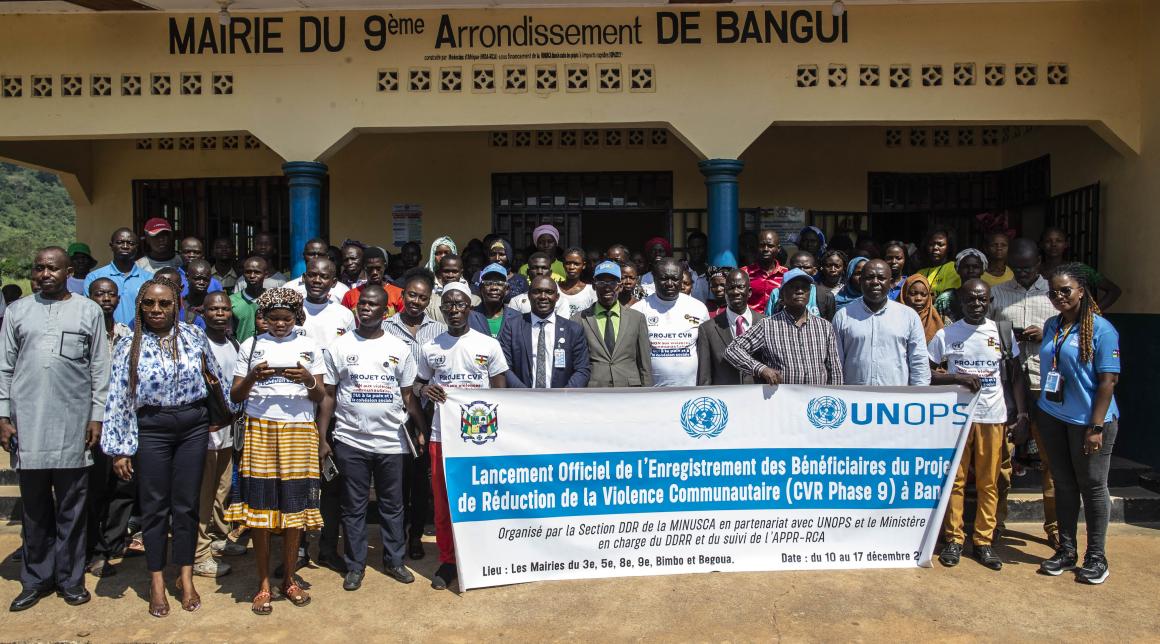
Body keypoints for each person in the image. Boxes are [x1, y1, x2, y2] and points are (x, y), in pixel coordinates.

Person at [101, 276, 231, 616]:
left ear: (177, 305)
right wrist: (120, 448)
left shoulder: (193, 335)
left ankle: (185, 577)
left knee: (186, 505)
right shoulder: (129, 343)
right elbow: (118, 397)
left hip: (192, 427)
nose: (156, 309)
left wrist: (222, 413)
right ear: (140, 307)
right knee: (155, 506)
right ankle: (156, 579)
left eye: (164, 303)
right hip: (151, 429)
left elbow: (215, 378)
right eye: (149, 303)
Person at [0, 247, 110, 612]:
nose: (44, 274)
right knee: (34, 510)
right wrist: (3, 417)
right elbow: (4, 367)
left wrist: (96, 416)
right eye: (39, 268)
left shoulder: (88, 311)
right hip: (27, 425)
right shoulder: (17, 311)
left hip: (73, 425)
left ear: (68, 273)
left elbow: (100, 368)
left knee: (72, 509)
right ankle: (36, 579)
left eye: (52, 268)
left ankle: (70, 579)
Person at [318, 285, 426, 590]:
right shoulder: (339, 346)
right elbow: (328, 394)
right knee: (354, 506)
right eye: (362, 303)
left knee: (393, 505)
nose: (365, 308)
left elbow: (408, 395)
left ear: (385, 311)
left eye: (372, 304)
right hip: (351, 440)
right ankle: (355, 565)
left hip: (392, 441)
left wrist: (421, 429)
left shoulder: (398, 348)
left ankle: (394, 560)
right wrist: (322, 437)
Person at [226, 288, 327, 614]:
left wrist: (307, 378)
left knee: (294, 509)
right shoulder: (251, 345)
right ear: (264, 319)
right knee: (260, 509)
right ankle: (263, 583)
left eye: (286, 319)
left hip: (299, 430)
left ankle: (290, 580)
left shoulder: (309, 345)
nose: (280, 324)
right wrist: (254, 376)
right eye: (273, 319)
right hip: (261, 429)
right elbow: (236, 394)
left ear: (296, 317)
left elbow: (320, 395)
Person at [416, 283, 508, 590]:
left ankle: (483, 555)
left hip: (481, 437)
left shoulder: (488, 345)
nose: (454, 310)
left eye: (460, 304)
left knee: (482, 498)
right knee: (444, 502)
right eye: (448, 305)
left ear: (469, 307)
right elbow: (416, 384)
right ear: (441, 310)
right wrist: (424, 390)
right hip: (442, 436)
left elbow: (501, 392)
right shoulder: (431, 347)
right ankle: (448, 560)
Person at [931, 279, 1028, 571]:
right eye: (970, 299)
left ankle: (984, 541)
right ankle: (954, 539)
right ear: (960, 302)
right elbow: (926, 373)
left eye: (982, 299)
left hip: (992, 417)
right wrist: (956, 378)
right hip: (956, 419)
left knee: (989, 482)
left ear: (990, 302)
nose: (976, 304)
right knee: (955, 481)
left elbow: (1015, 376)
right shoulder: (946, 334)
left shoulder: (1002, 333)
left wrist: (1022, 414)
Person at [1035, 263, 1120, 584]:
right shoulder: (1052, 325)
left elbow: (1108, 382)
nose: (1059, 296)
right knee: (1064, 483)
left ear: (1081, 292)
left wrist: (1096, 428)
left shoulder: (1102, 329)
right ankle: (1066, 551)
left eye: (1065, 290)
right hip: (1054, 416)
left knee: (1093, 486)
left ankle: (1096, 557)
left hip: (1089, 422)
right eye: (1053, 292)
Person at [990, 238, 1060, 549]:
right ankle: (995, 524)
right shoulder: (998, 293)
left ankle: (1056, 528)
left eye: (1028, 268)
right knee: (1000, 461)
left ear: (1039, 263)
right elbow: (985, 331)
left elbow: (1074, 331)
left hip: (1045, 386)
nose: (1022, 274)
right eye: (1017, 269)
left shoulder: (1055, 293)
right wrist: (1007, 339)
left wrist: (1048, 334)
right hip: (1007, 386)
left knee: (1052, 462)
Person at [384, 267, 446, 560]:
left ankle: (416, 537)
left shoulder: (439, 331)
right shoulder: (384, 328)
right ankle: (395, 538)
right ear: (403, 295)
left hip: (427, 415)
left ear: (429, 299)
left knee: (420, 482)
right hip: (392, 414)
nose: (416, 302)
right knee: (396, 482)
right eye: (411, 295)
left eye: (422, 297)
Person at [82, 278, 134, 579]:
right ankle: (95, 549)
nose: (105, 299)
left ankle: (114, 542)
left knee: (123, 486)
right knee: (96, 487)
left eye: (111, 294)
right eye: (99, 294)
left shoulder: (126, 334)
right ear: (90, 297)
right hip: (95, 420)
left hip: (125, 420)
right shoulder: (85, 333)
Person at [191, 292, 245, 579]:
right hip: (208, 429)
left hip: (228, 428)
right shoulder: (197, 345)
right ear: (204, 312)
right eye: (214, 309)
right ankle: (199, 554)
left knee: (223, 488)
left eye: (224, 309)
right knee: (204, 492)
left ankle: (219, 538)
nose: (220, 314)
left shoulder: (233, 343)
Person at [725, 268, 843, 386]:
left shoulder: (824, 327)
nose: (800, 291)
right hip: (781, 396)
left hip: (816, 397)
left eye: (804, 287)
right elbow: (733, 350)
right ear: (781, 294)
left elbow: (834, 370)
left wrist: (835, 394)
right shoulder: (768, 325)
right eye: (793, 287)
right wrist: (761, 369)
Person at [832, 259, 931, 386]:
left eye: (881, 278)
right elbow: (836, 363)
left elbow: (919, 361)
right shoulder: (843, 316)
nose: (875, 282)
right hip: (855, 396)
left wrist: (919, 393)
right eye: (869, 277)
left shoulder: (909, 316)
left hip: (896, 396)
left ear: (890, 283)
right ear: (861, 281)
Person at [499, 276, 590, 389]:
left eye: (549, 292)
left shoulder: (573, 330)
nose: (543, 296)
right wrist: (524, 393)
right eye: (537, 292)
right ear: (529, 296)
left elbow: (582, 369)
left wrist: (565, 394)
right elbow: (504, 367)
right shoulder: (512, 326)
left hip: (563, 398)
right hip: (521, 397)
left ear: (557, 297)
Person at [632, 258, 709, 387]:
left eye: (675, 279)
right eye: (664, 278)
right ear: (654, 278)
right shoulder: (638, 310)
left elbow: (705, 352)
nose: (669, 283)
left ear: (681, 279)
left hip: (691, 390)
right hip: (651, 391)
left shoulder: (698, 308)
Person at [574, 261, 652, 388]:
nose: (607, 287)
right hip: (594, 390)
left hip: (629, 390)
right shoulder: (579, 319)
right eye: (601, 282)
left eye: (612, 282)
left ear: (620, 286)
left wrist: (647, 393)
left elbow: (645, 365)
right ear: (594, 286)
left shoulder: (637, 318)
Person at [699, 269, 766, 385]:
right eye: (731, 288)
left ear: (749, 292)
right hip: (724, 395)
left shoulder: (766, 323)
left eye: (740, 287)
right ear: (725, 292)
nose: (735, 292)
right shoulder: (708, 329)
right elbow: (705, 376)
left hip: (759, 394)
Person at [1039, 227, 1121, 311]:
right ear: (1041, 244)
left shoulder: (1079, 269)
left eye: (1059, 241)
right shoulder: (1035, 270)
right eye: (1048, 241)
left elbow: (1114, 291)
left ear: (1066, 244)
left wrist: (1090, 312)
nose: (1053, 244)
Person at [84, 228, 153, 326]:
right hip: (104, 333)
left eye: (130, 243)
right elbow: (88, 310)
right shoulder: (94, 277)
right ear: (111, 246)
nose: (125, 246)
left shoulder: (149, 278)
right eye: (120, 242)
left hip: (139, 333)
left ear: (137, 247)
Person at [300, 257, 356, 349]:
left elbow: (350, 348)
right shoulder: (291, 311)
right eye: (312, 275)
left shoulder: (345, 314)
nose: (317, 280)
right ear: (304, 278)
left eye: (324, 277)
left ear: (333, 282)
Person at [764, 251, 836, 321]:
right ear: (789, 269)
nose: (801, 270)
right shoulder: (777, 293)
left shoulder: (825, 295)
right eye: (797, 267)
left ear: (814, 271)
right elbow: (768, 319)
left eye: (806, 267)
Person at [284, 238, 351, 304]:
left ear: (327, 257)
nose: (316, 257)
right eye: (311, 254)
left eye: (321, 254)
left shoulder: (342, 290)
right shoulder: (289, 288)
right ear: (304, 256)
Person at [342, 246, 404, 316]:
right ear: (364, 267)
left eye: (378, 268)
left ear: (384, 266)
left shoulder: (399, 294)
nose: (374, 272)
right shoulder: (350, 296)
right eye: (370, 268)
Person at [934, 249, 987, 324]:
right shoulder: (945, 299)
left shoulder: (988, 298)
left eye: (975, 267)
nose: (970, 271)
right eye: (966, 267)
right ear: (957, 269)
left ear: (982, 270)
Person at [744, 230, 788, 312]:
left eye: (770, 246)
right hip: (751, 319)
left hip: (778, 319)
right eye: (762, 245)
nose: (765, 249)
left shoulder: (787, 275)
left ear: (778, 249)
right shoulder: (744, 273)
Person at [472, 263, 518, 338]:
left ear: (507, 289)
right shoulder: (470, 316)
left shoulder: (517, 317)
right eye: (488, 283)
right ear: (480, 288)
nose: (493, 287)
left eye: (499, 284)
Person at [475, 237, 528, 303]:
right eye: (493, 254)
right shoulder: (479, 276)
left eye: (502, 254)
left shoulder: (521, 279)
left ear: (509, 255)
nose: (497, 258)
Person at [897, 273, 943, 344]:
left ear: (929, 297)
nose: (918, 298)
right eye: (913, 294)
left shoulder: (939, 319)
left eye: (923, 294)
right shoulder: (893, 317)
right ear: (904, 295)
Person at [230, 256, 268, 342]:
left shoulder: (273, 300)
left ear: (265, 274)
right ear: (243, 274)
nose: (252, 276)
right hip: (241, 348)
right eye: (248, 272)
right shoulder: (232, 301)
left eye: (257, 272)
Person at [557, 247, 597, 318]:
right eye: (568, 263)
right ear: (563, 264)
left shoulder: (591, 291)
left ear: (583, 265)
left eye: (576, 264)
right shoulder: (555, 288)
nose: (571, 267)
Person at [917, 230, 958, 297]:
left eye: (940, 245)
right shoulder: (920, 273)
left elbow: (949, 296)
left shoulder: (954, 268)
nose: (935, 248)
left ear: (949, 247)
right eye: (931, 244)